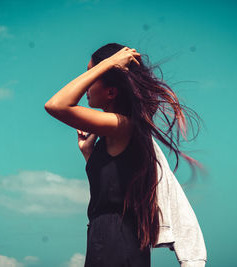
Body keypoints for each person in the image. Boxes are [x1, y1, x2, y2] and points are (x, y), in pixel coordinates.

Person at [45, 43, 207, 266]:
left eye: (92, 74)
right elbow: (113, 188)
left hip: (116, 244)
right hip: (106, 242)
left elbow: (56, 105)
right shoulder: (113, 134)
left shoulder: (123, 125)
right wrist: (89, 153)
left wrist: (109, 63)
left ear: (111, 92)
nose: (86, 83)